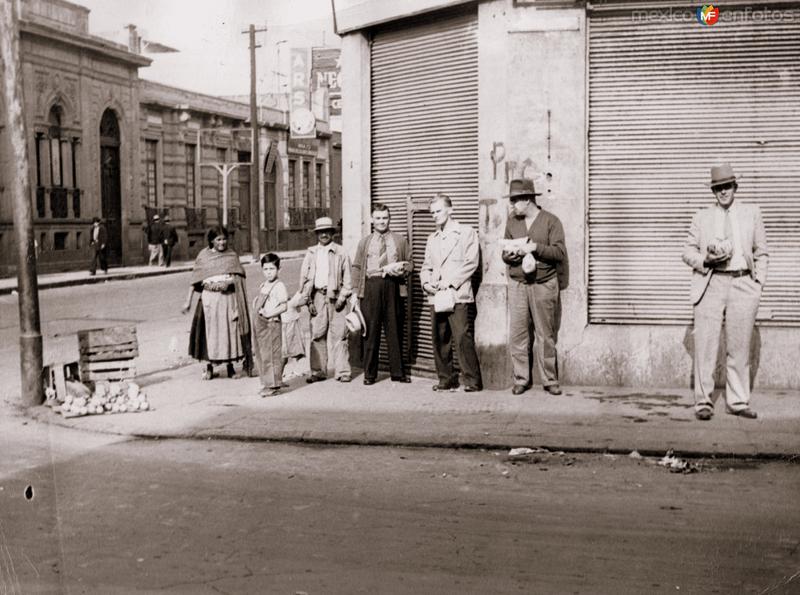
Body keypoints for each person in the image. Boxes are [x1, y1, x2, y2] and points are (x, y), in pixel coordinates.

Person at [682, 163, 768, 421]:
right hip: (711, 283)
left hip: (743, 283)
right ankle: (704, 402)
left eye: (727, 186)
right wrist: (705, 261)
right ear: (713, 191)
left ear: (735, 187)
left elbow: (761, 251)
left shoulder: (752, 213)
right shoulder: (702, 217)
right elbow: (687, 252)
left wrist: (758, 284)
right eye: (718, 188)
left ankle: (738, 401)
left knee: (740, 346)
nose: (723, 192)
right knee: (706, 345)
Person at [501, 178, 567, 396]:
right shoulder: (512, 222)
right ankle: (521, 379)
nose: (512, 205)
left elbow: (559, 253)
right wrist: (510, 255)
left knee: (545, 334)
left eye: (514, 201)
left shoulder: (551, 222)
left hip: (544, 284)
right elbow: (504, 253)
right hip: (518, 284)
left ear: (527, 199)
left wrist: (535, 248)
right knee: (518, 334)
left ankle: (549, 379)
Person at [420, 193, 483, 392]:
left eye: (438, 211)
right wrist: (426, 284)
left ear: (450, 210)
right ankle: (446, 378)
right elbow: (426, 266)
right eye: (432, 213)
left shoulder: (466, 232)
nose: (435, 216)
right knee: (439, 338)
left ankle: (472, 380)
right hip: (437, 295)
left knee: (462, 336)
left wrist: (450, 282)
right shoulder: (432, 238)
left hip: (458, 294)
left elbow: (471, 263)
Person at [352, 203, 414, 385]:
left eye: (385, 218)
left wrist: (402, 270)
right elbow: (356, 267)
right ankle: (369, 374)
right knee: (370, 332)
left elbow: (410, 263)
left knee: (394, 330)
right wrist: (355, 292)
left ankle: (398, 373)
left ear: (389, 219)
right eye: (378, 218)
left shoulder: (400, 240)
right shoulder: (365, 242)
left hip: (393, 286)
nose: (381, 222)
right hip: (371, 287)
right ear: (372, 220)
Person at [182, 226, 253, 380]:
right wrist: (188, 301)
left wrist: (229, 283)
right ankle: (209, 368)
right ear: (211, 241)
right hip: (209, 300)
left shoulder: (231, 255)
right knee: (210, 334)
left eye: (224, 239)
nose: (222, 242)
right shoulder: (203, 256)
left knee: (228, 333)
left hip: (227, 299)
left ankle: (230, 367)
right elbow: (195, 280)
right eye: (218, 239)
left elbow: (239, 277)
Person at [298, 216, 353, 383]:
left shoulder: (341, 252)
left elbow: (348, 279)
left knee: (340, 335)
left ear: (332, 233)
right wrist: (308, 301)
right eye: (320, 232)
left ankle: (342, 371)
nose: (324, 235)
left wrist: (342, 298)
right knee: (317, 335)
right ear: (317, 234)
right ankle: (318, 371)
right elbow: (305, 279)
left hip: (336, 298)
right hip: (317, 297)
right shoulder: (311, 253)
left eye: (327, 231)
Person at [252, 253, 288, 397]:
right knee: (263, 355)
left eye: (272, 269)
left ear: (279, 269)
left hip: (272, 324)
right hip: (261, 325)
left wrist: (269, 313)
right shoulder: (264, 285)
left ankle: (274, 385)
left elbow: (284, 306)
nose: (269, 273)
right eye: (266, 269)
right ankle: (267, 382)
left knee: (272, 356)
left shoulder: (279, 286)